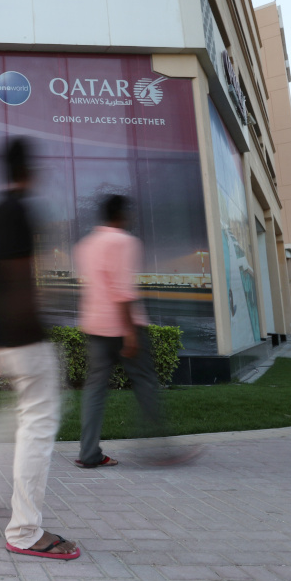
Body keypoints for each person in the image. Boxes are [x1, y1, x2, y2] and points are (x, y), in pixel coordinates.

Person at [0, 137, 80, 560]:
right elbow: (21, 280)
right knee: (37, 428)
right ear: (29, 170)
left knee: (24, 420)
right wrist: (34, 334)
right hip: (25, 339)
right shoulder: (21, 211)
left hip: (4, 338)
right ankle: (24, 531)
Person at [73, 194, 183, 468]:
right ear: (121, 215)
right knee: (145, 385)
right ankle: (160, 451)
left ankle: (88, 453)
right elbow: (122, 289)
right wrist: (130, 332)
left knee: (95, 390)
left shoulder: (85, 245)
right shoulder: (125, 242)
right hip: (123, 326)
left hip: (95, 326)